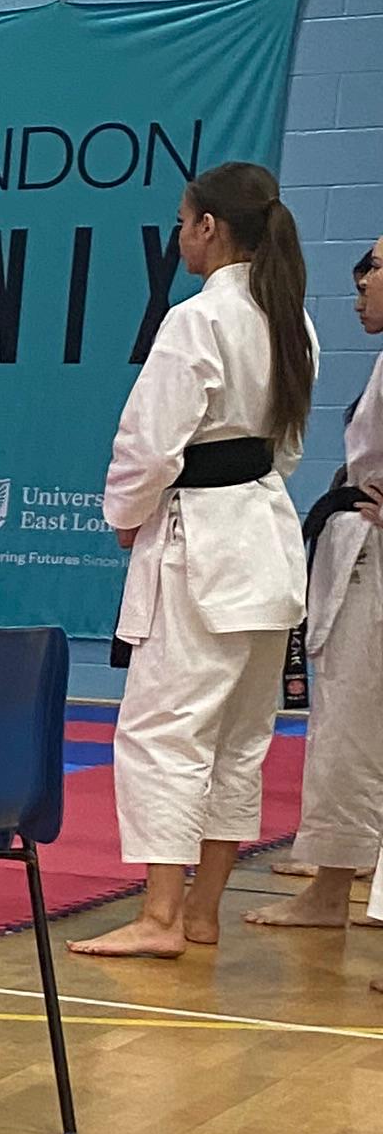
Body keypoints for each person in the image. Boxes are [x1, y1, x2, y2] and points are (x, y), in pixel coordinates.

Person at [79, 160, 316, 961]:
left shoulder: (196, 320)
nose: (180, 236)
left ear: (209, 226)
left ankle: (157, 917)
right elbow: (285, 451)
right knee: (239, 739)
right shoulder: (294, 321)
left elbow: (148, 444)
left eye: (184, 222)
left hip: (201, 545)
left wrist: (126, 515)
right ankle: (203, 911)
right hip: (266, 540)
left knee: (163, 732)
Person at [252, 240, 383, 935]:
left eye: (376, 269)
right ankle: (342, 882)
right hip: (357, 544)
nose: (362, 282)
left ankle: (334, 890)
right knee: (357, 727)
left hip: (373, 560)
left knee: (354, 729)